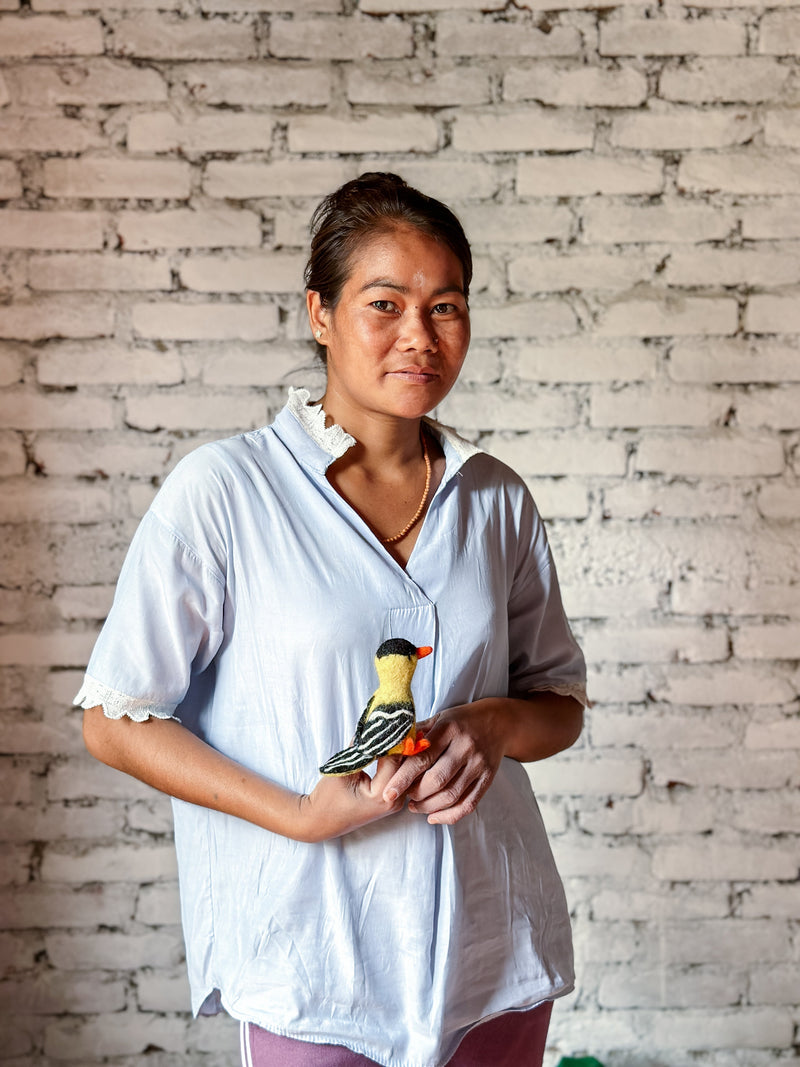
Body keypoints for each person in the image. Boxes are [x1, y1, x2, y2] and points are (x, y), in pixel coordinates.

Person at [78, 172, 587, 1067]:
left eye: (446, 307)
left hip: (490, 951)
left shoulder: (495, 496)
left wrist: (496, 722)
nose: (419, 337)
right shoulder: (228, 492)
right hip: (315, 963)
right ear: (320, 312)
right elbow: (116, 719)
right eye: (383, 303)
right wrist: (297, 814)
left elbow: (558, 702)